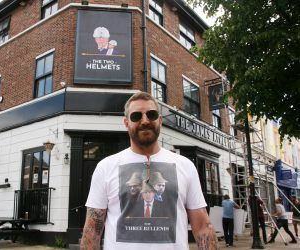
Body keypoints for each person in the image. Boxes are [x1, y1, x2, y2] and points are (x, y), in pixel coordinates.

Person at [80, 92, 217, 249]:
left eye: (151, 115)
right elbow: (91, 232)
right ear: (126, 123)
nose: (144, 121)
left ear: (159, 120)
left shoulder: (185, 165)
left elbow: (202, 227)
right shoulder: (106, 167)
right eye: (136, 116)